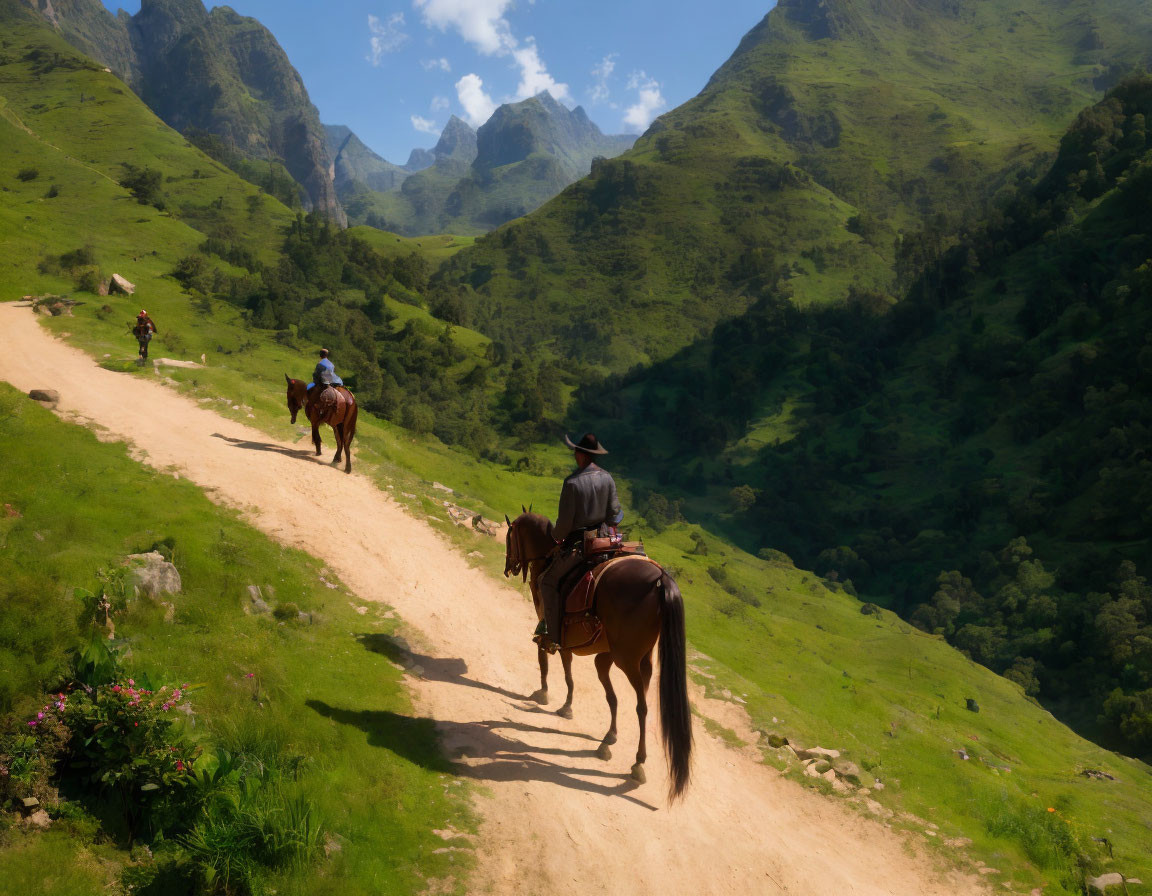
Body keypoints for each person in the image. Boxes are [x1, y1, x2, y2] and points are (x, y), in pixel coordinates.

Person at [534, 432, 623, 653]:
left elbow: (564, 526)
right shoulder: (608, 478)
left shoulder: (572, 483)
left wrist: (554, 538)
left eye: (575, 451)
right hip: (605, 542)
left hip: (581, 547)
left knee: (547, 581)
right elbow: (615, 516)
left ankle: (553, 638)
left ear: (580, 454)